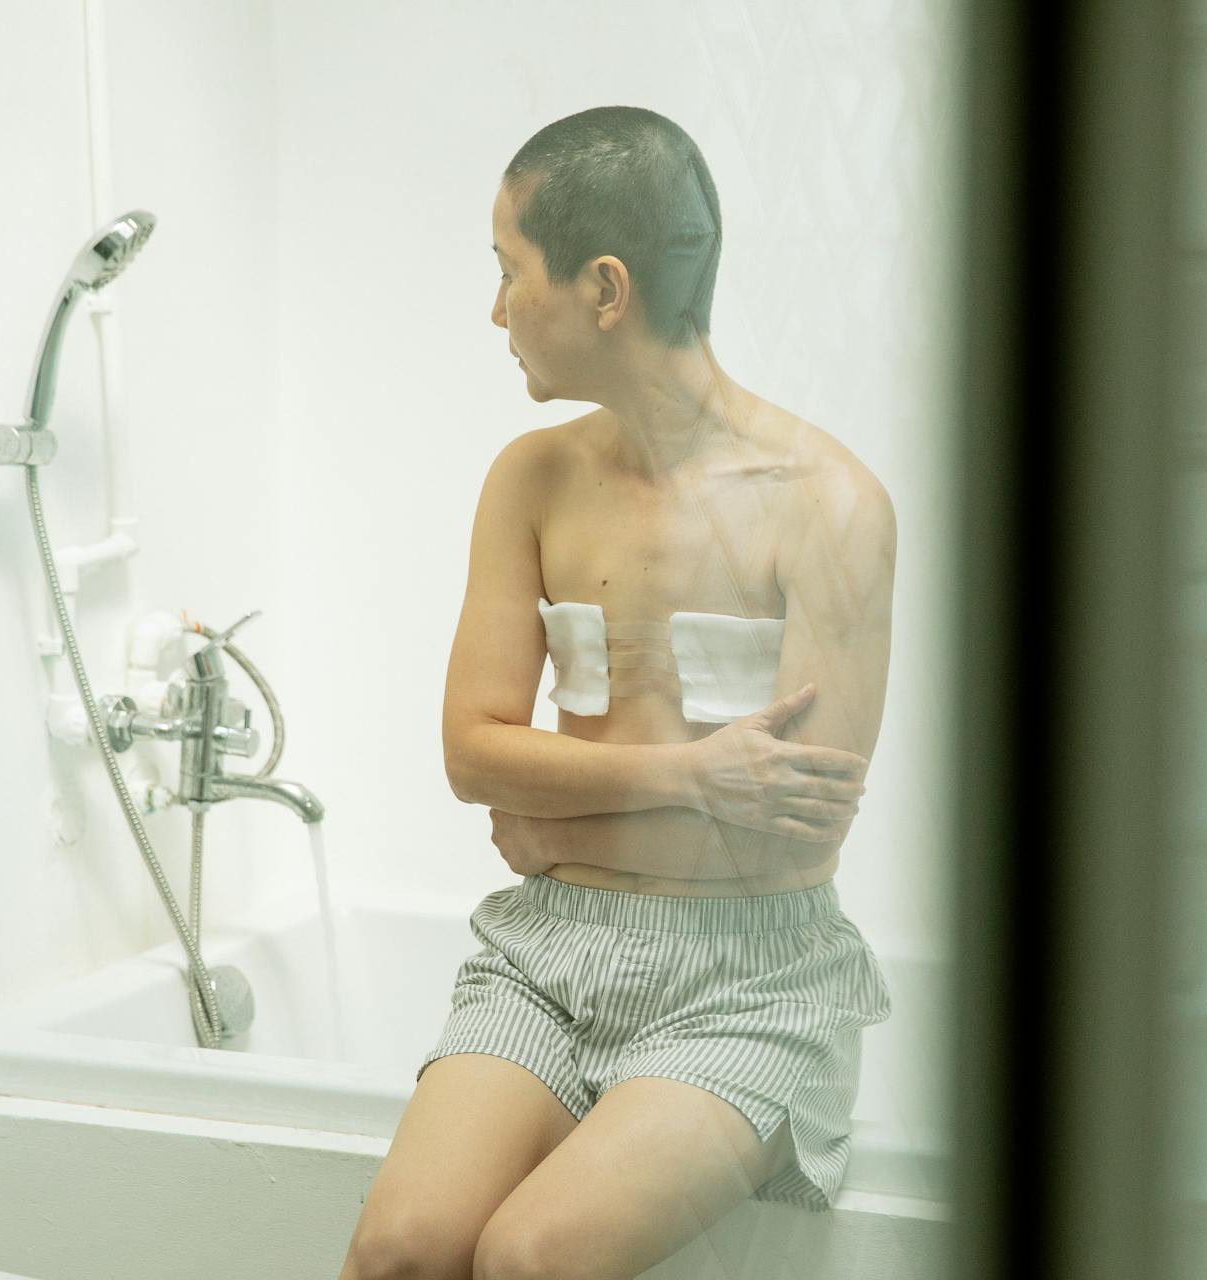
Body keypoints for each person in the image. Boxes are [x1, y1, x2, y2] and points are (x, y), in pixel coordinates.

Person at [339, 105, 898, 1280]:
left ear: (604, 288)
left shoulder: (829, 502)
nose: (495, 311)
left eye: (507, 271)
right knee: (400, 1251)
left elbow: (797, 820)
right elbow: (469, 753)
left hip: (753, 981)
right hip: (546, 954)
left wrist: (558, 811)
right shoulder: (530, 477)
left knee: (531, 1257)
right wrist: (689, 776)